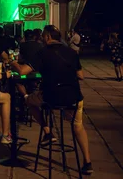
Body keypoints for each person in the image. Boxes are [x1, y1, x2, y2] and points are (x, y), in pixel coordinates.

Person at [19, 25, 92, 175]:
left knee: (28, 100)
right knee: (78, 126)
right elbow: (81, 76)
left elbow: (23, 71)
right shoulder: (71, 52)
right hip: (74, 97)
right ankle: (87, 161)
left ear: (47, 37)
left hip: (51, 97)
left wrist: (11, 62)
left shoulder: (42, 52)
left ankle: (47, 131)